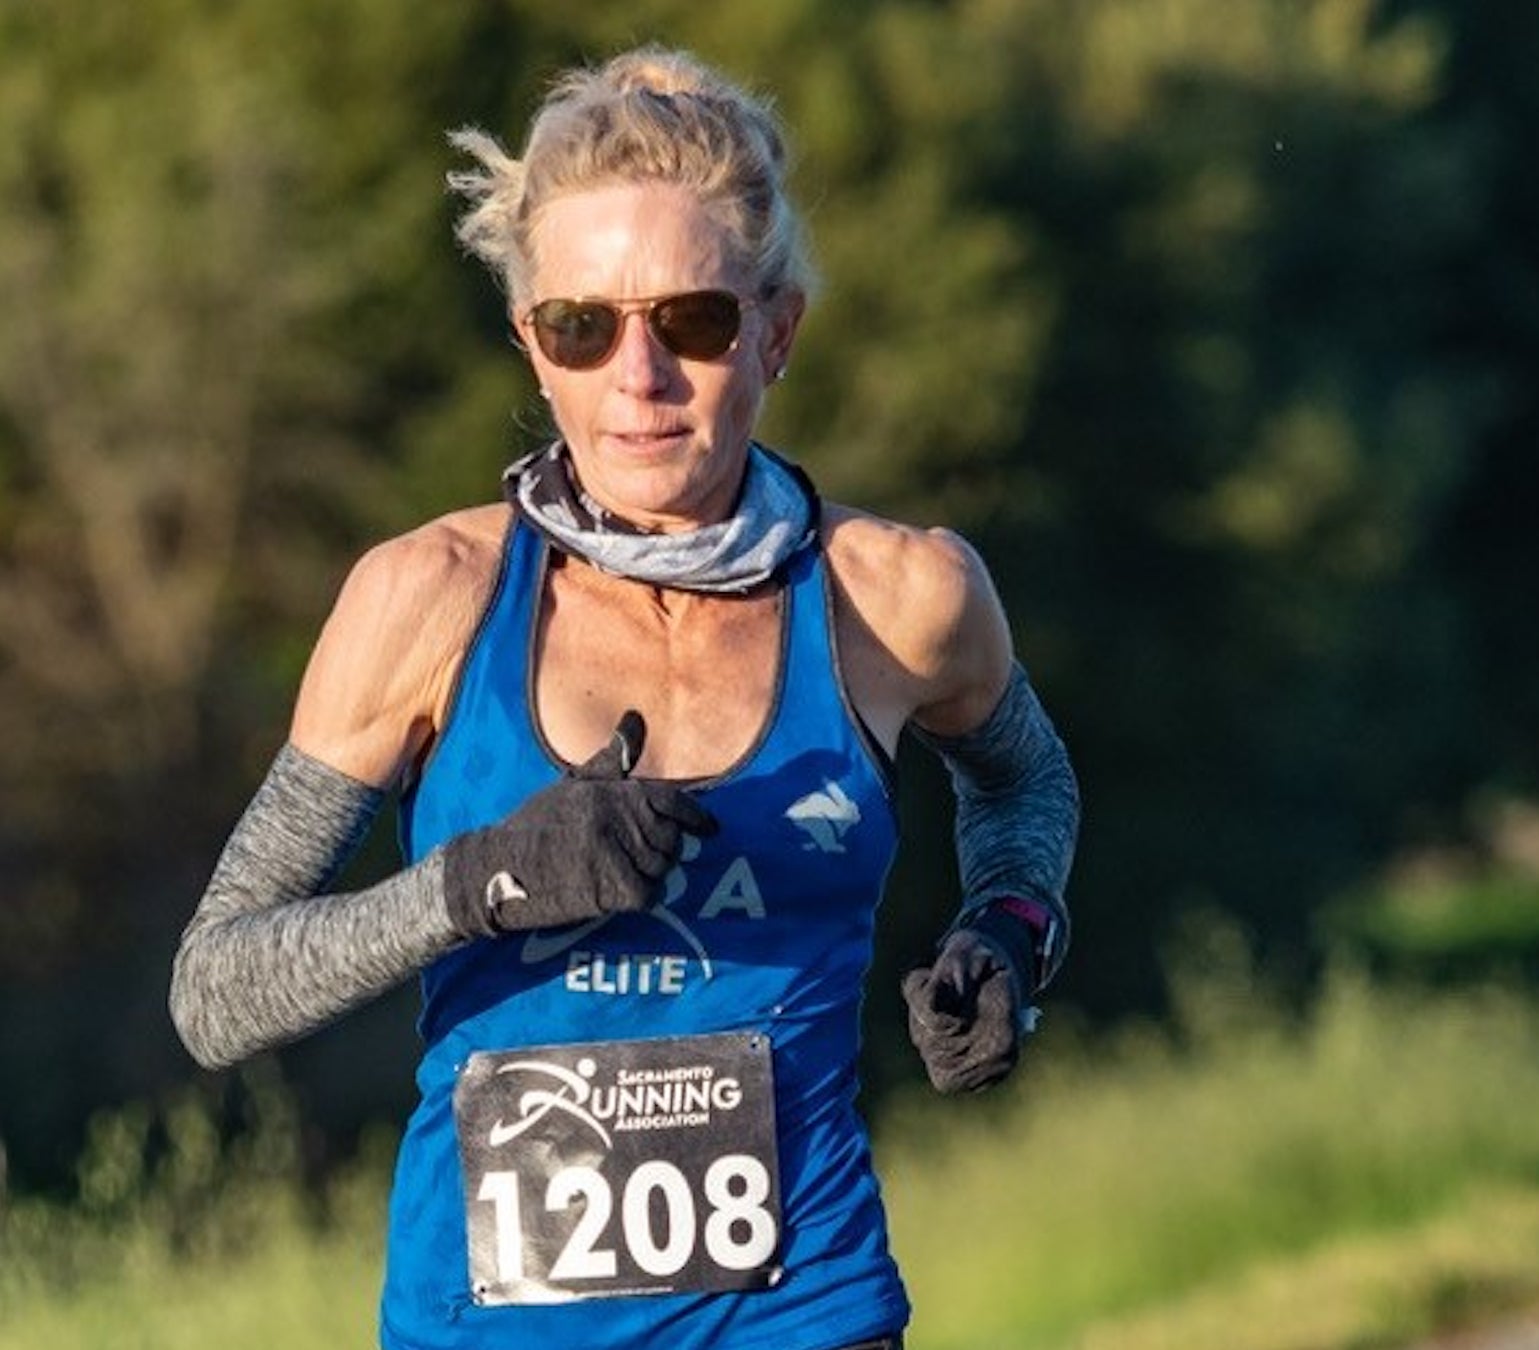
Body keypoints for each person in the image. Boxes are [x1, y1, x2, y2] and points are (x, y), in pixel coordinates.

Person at [168, 45, 1077, 1350]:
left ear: (777, 330)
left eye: (693, 322)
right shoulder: (426, 599)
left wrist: (1008, 924)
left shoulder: (903, 598)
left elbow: (1023, 776)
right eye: (583, 327)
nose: (638, 380)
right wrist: (474, 883)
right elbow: (217, 990)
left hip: (806, 1315)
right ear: (534, 349)